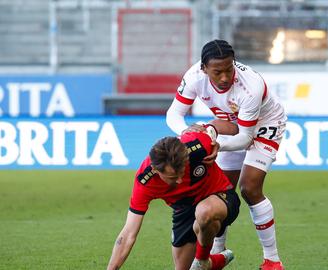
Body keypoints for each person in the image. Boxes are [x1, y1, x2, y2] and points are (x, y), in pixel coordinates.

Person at [166, 39, 287, 270]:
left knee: (250, 188)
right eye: (217, 72)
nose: (224, 77)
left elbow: (245, 138)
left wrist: (216, 143)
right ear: (204, 69)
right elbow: (173, 115)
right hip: (230, 125)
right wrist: (186, 130)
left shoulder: (251, 86)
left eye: (229, 69)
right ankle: (216, 255)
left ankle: (272, 261)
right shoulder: (193, 77)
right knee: (219, 193)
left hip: (264, 125)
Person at [106, 130, 241, 270]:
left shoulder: (198, 145)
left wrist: (214, 136)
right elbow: (128, 233)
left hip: (221, 196)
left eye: (181, 172)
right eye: (172, 178)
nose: (180, 180)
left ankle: (203, 260)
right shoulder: (145, 181)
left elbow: (220, 125)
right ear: (155, 170)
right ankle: (213, 262)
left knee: (204, 212)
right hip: (185, 210)